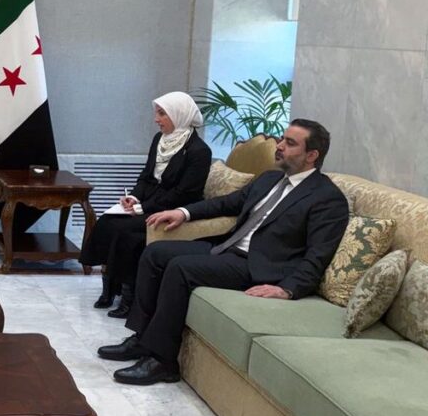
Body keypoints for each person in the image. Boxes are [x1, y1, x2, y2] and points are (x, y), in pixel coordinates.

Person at [96, 118, 348, 385]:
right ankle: (142, 339)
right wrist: (183, 212)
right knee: (155, 253)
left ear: (312, 155)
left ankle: (163, 361)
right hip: (227, 247)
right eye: (282, 139)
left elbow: (318, 254)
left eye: (290, 143)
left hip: (258, 265)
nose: (280, 146)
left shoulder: (327, 198)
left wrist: (288, 289)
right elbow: (228, 203)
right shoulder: (271, 178)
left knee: (181, 268)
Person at [80, 92, 211, 318]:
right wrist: (134, 197)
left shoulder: (199, 151)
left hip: (172, 208)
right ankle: (109, 288)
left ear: (179, 115)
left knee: (126, 233)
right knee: (107, 222)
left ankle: (129, 298)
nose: (156, 119)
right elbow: (146, 176)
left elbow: (183, 193)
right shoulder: (160, 139)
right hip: (150, 200)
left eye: (162, 114)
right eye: (156, 113)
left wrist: (145, 207)